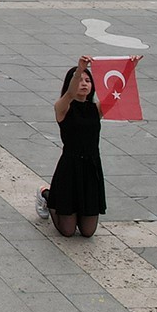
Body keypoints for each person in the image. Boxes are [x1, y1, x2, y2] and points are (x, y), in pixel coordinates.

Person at [33, 54, 120, 238]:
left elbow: (116, 91)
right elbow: (71, 93)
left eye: (88, 80)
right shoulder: (63, 107)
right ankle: (47, 195)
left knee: (88, 232)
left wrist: (130, 68)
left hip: (91, 169)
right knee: (68, 231)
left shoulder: (96, 109)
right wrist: (80, 69)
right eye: (80, 80)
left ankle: (77, 209)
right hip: (70, 168)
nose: (84, 83)